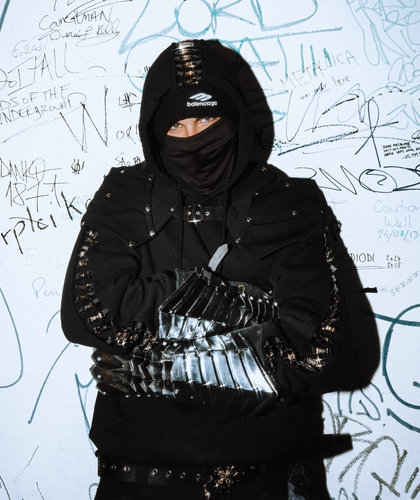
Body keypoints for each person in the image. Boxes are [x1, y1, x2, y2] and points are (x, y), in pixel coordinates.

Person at [61, 39, 349, 500]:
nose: (193, 137)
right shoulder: (124, 195)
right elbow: (88, 313)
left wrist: (161, 367)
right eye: (177, 124)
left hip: (257, 481)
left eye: (208, 120)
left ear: (234, 119)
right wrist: (249, 311)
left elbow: (315, 350)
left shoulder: (285, 202)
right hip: (135, 481)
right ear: (155, 131)